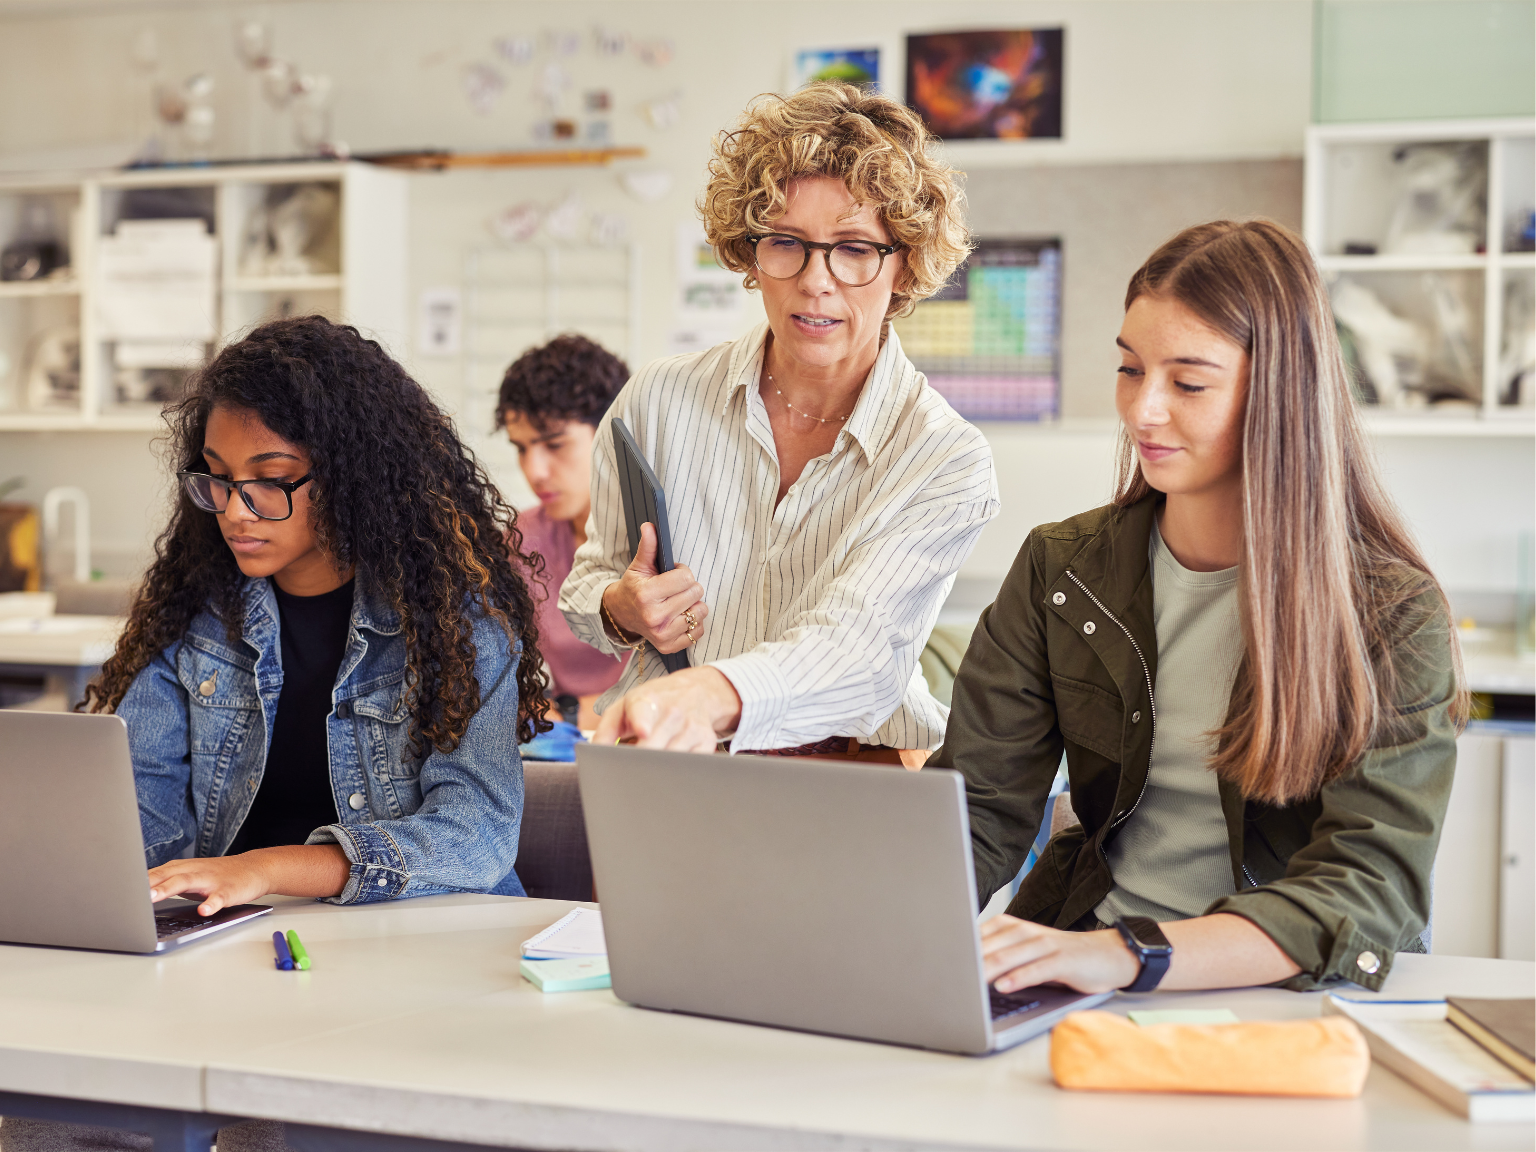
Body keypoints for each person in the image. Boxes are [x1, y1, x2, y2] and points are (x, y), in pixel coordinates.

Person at [931, 219, 1466, 998]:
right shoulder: (1062, 568)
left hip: (1285, 998)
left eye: (1187, 383)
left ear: (1280, 392)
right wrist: (881, 931)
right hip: (1085, 979)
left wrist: (1129, 954)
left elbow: (1366, 885)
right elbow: (978, 812)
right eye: (1128, 369)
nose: (1143, 411)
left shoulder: (1389, 613)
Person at [561, 82, 998, 760]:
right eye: (787, 242)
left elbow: (856, 649)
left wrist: (712, 694)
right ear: (750, 250)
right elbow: (589, 587)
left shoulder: (945, 459)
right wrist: (622, 607)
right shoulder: (657, 400)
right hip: (672, 761)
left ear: (905, 264)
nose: (816, 280)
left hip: (855, 768)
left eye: (854, 248)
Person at [82, 315, 548, 915]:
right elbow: (138, 809)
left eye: (270, 480)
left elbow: (475, 834)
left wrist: (267, 867)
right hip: (235, 937)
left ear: (354, 479)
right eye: (219, 479)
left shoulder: (454, 624)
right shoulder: (194, 617)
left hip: (421, 937)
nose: (235, 511)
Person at [497, 334, 628, 731]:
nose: (534, 471)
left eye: (554, 444)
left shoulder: (669, 533)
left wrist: (569, 713)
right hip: (558, 741)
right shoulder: (521, 540)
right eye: (521, 448)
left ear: (611, 436)